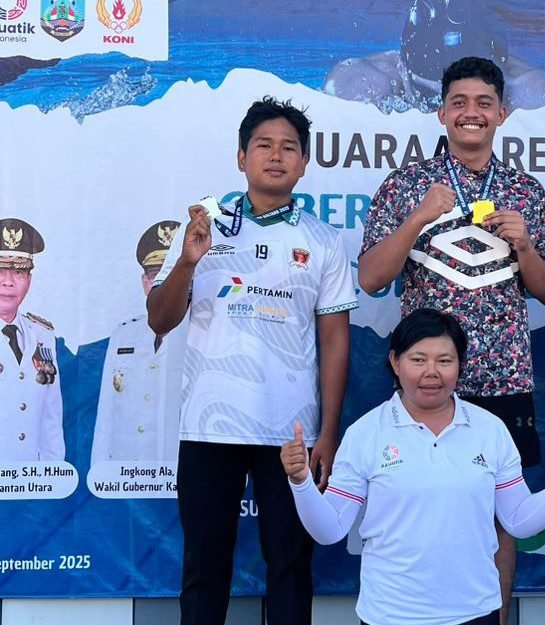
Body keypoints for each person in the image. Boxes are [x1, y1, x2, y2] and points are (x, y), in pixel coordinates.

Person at [357, 56, 545, 625]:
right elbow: (370, 278)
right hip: (424, 382)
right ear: (441, 112)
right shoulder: (407, 185)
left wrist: (525, 246)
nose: (471, 113)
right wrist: (417, 219)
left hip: (503, 380)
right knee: (415, 510)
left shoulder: (525, 191)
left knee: (499, 521)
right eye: (459, 103)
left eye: (483, 103)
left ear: (503, 113)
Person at [147, 97, 358, 625]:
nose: (276, 155)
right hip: (209, 427)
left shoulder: (323, 239)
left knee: (290, 567)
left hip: (291, 432)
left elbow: (335, 342)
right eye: (263, 145)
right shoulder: (203, 227)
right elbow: (159, 319)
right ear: (241, 157)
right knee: (204, 568)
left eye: (289, 147)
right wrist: (188, 263)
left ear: (304, 163)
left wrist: (328, 433)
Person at [281, 308, 545, 625]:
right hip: (390, 615)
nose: (431, 372)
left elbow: (518, 521)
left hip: (476, 612)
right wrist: (301, 483)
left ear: (460, 364)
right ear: (395, 361)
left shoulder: (489, 430)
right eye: (418, 360)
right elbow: (329, 530)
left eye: (445, 361)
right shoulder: (365, 433)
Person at [323, 0, 545, 112]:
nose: (444, 114)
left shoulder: (530, 90)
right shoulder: (364, 82)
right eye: (430, 98)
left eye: (475, 99)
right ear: (403, 70)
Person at [91, 220, 186, 466]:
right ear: (145, 282)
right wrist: (99, 472)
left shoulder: (205, 334)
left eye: (172, 274)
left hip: (179, 469)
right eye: (157, 276)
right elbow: (106, 416)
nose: (165, 283)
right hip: (126, 473)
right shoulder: (124, 335)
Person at [0, 217, 64, 461]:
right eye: (0, 270)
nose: (8, 282)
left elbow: (51, 421)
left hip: (31, 478)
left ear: (29, 279)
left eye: (18, 271)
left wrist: (52, 474)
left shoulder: (43, 336)